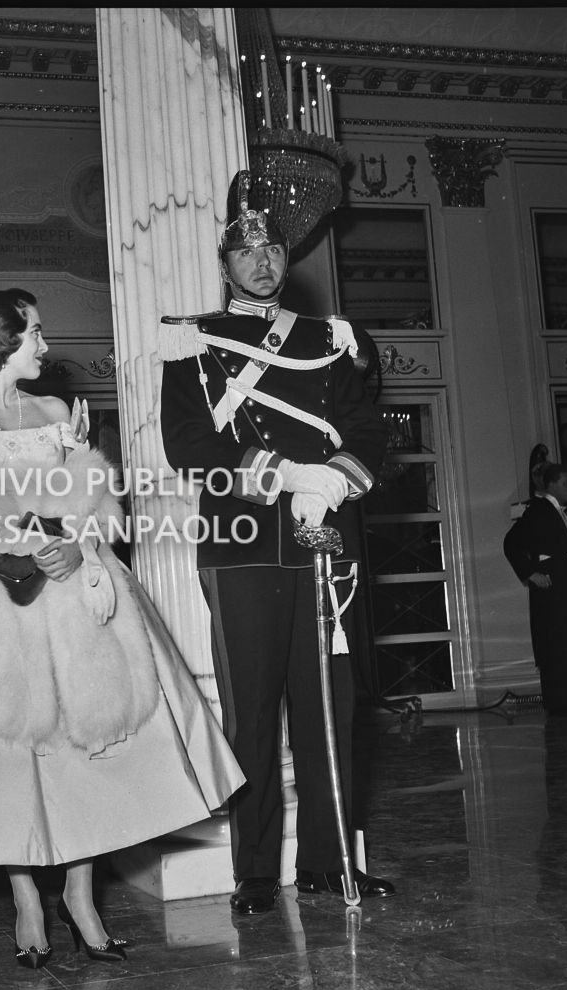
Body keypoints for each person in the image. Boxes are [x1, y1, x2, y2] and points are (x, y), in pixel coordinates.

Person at [0, 288, 245, 968]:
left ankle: (81, 899)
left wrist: (75, 543)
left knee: (81, 757)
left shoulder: (57, 413)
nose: (46, 347)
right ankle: (26, 899)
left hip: (66, 601)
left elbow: (95, 504)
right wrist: (6, 547)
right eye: (34, 334)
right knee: (2, 764)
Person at [158, 170, 397, 915]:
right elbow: (187, 442)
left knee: (333, 706)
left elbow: (364, 429)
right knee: (252, 711)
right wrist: (279, 474)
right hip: (245, 543)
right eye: (245, 250)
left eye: (272, 249)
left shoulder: (329, 342)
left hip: (324, 539)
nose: (261, 261)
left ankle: (328, 864)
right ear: (225, 263)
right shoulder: (191, 343)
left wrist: (328, 481)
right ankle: (256, 871)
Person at [503, 463, 567, 716]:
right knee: (555, 647)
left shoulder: (559, 512)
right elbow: (511, 543)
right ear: (551, 485)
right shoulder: (539, 510)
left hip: (564, 589)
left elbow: (566, 555)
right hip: (552, 593)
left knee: (566, 645)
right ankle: (561, 706)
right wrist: (531, 573)